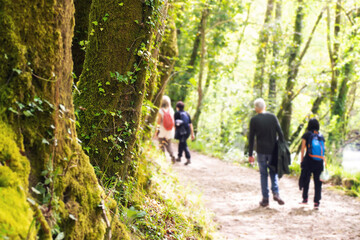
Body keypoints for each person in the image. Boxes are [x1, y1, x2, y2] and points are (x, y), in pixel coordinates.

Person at [248, 98, 285, 207]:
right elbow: (281, 133)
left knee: (263, 174)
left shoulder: (254, 120)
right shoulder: (272, 117)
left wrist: (250, 154)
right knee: (273, 172)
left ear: (256, 109)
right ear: (265, 107)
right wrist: (282, 148)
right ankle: (276, 193)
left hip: (261, 151)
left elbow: (251, 138)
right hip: (273, 151)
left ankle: (265, 199)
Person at [300, 118, 325, 209]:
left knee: (306, 179)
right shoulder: (321, 136)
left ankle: (305, 199)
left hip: (308, 160)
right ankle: (316, 202)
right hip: (319, 161)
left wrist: (301, 160)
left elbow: (303, 149)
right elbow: (323, 150)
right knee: (318, 182)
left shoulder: (306, 135)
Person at [154, 95, 176, 163]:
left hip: (162, 131)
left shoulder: (161, 111)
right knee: (168, 144)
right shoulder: (171, 110)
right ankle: (172, 155)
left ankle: (163, 159)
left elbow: (158, 122)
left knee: (161, 145)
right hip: (170, 131)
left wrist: (156, 132)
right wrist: (174, 130)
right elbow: (173, 121)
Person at [174, 101, 195, 165]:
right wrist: (192, 134)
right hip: (187, 131)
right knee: (181, 142)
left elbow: (174, 124)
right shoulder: (187, 114)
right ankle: (179, 157)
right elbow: (190, 125)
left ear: (177, 107)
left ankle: (188, 158)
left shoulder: (177, 113)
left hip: (181, 131)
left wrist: (175, 131)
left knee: (184, 144)